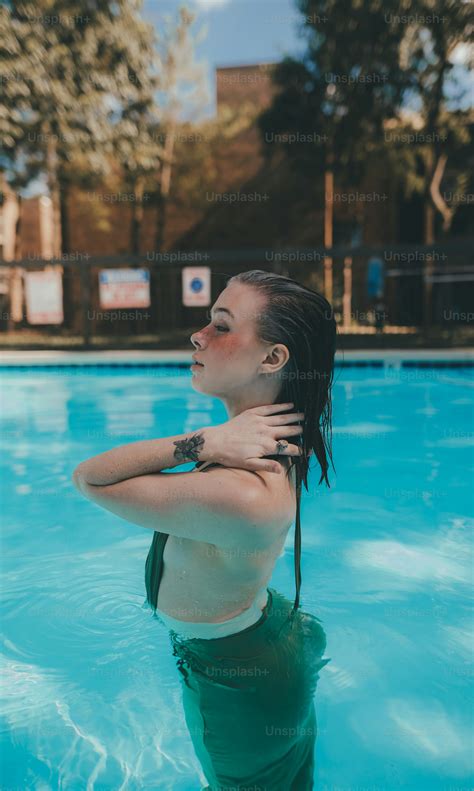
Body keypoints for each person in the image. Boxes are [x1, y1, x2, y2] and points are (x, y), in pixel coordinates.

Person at [72, 269, 336, 790]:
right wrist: (217, 441)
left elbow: (89, 479)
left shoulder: (240, 488)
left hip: (236, 678)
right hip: (265, 634)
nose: (199, 335)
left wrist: (203, 442)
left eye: (221, 324)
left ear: (272, 358)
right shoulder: (265, 443)